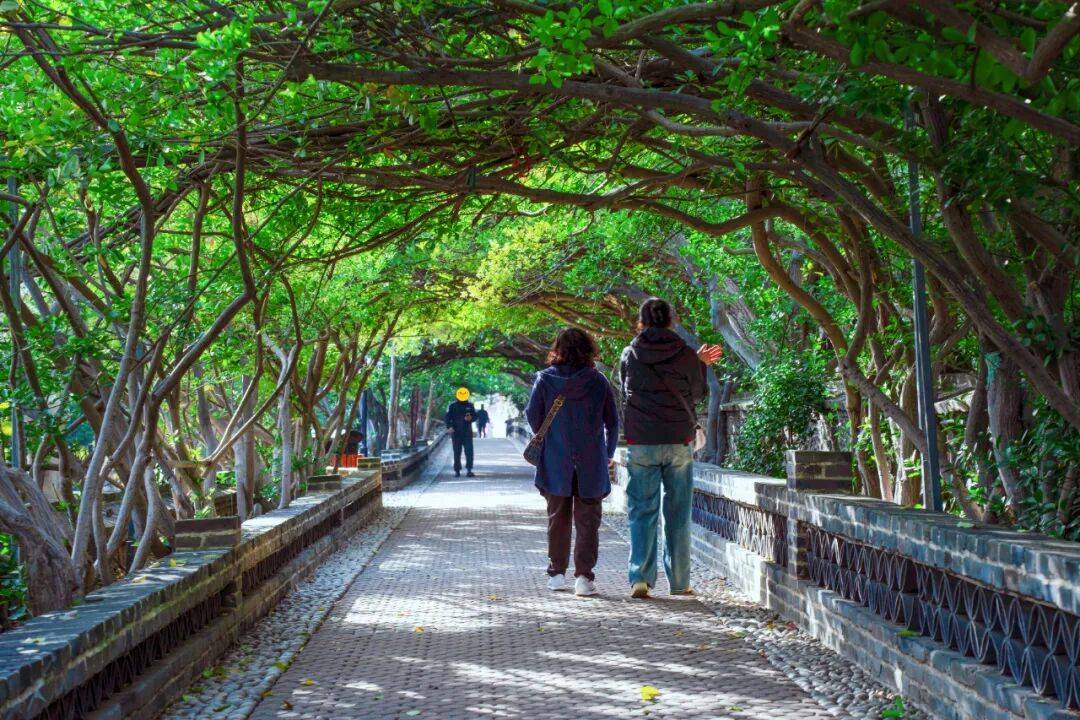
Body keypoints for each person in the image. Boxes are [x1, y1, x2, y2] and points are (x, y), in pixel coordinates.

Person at [619, 297, 722, 599]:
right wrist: (698, 364)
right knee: (677, 513)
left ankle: (640, 577)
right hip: (678, 439)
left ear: (640, 321)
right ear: (671, 320)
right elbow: (697, 394)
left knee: (642, 511)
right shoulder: (686, 353)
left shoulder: (630, 353)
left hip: (641, 442)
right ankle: (679, 582)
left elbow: (625, 390)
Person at [526, 328, 618, 597]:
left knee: (558, 518)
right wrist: (608, 451)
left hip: (555, 459)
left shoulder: (544, 380)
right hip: (591, 460)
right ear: (589, 349)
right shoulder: (598, 381)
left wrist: (552, 437)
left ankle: (556, 574)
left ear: (558, 349)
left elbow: (533, 415)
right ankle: (584, 578)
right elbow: (612, 422)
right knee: (588, 521)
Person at [445, 387, 477, 477]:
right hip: (456, 432)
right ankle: (457, 470)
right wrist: (449, 427)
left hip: (467, 432)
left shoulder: (470, 405)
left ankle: (469, 470)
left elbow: (475, 416)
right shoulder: (452, 406)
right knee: (457, 452)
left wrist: (471, 418)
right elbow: (447, 418)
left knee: (469, 451)